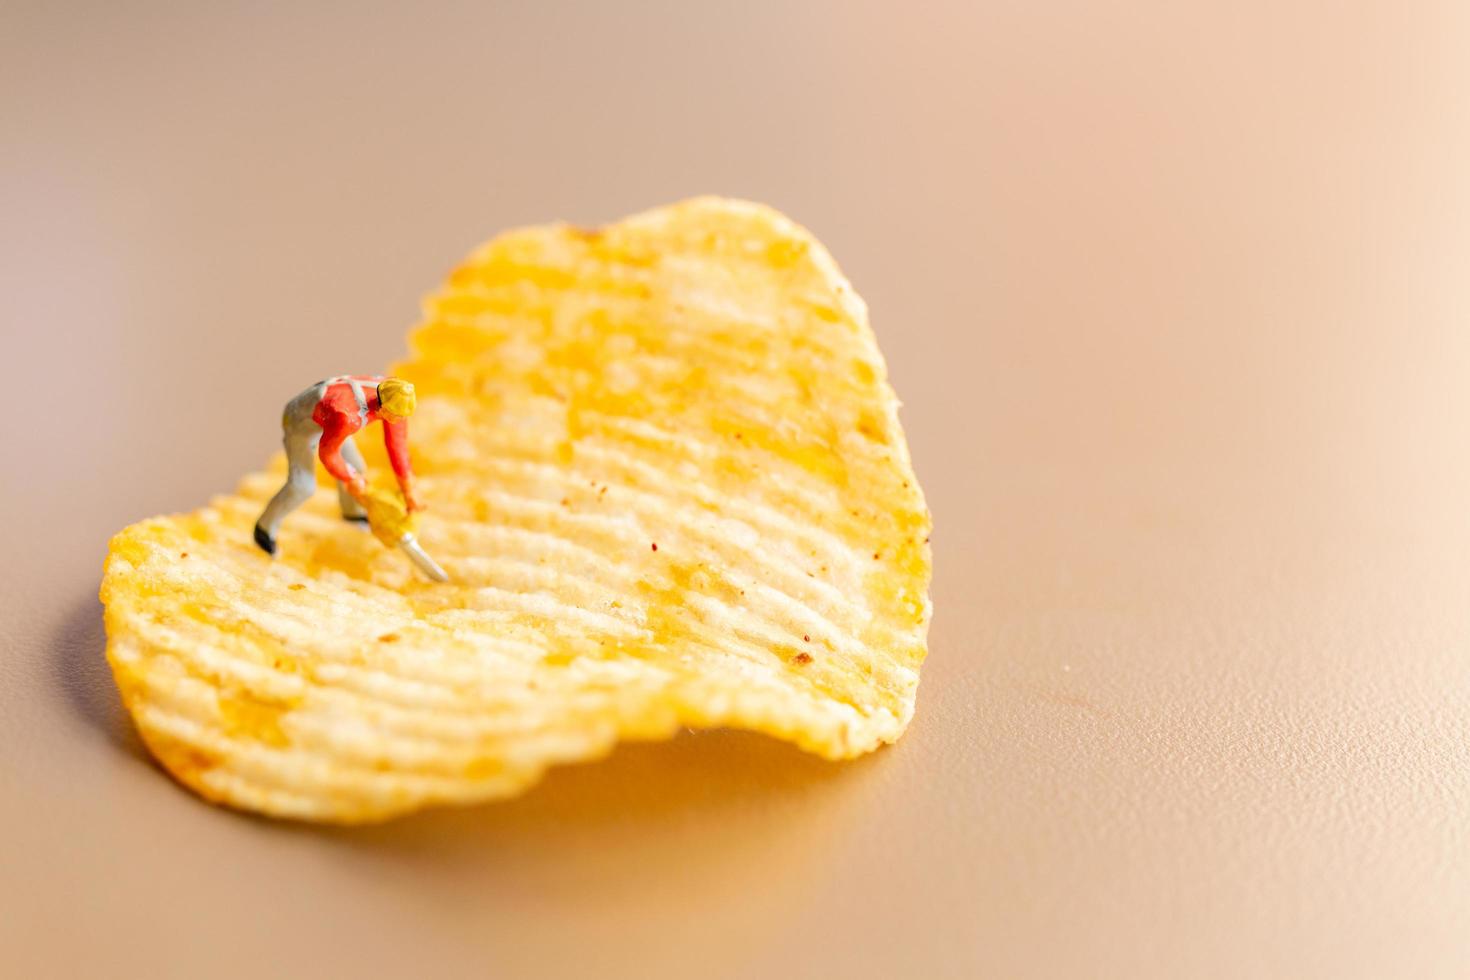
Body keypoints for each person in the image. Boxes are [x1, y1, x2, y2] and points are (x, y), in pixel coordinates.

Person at [254, 375, 423, 556]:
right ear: (382, 407)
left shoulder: (397, 398)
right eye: (396, 416)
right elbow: (328, 454)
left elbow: (397, 446)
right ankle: (264, 529)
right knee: (303, 487)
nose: (399, 420)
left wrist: (409, 489)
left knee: (356, 466)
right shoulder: (347, 417)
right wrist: (350, 478)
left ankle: (352, 514)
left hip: (330, 418)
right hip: (302, 423)